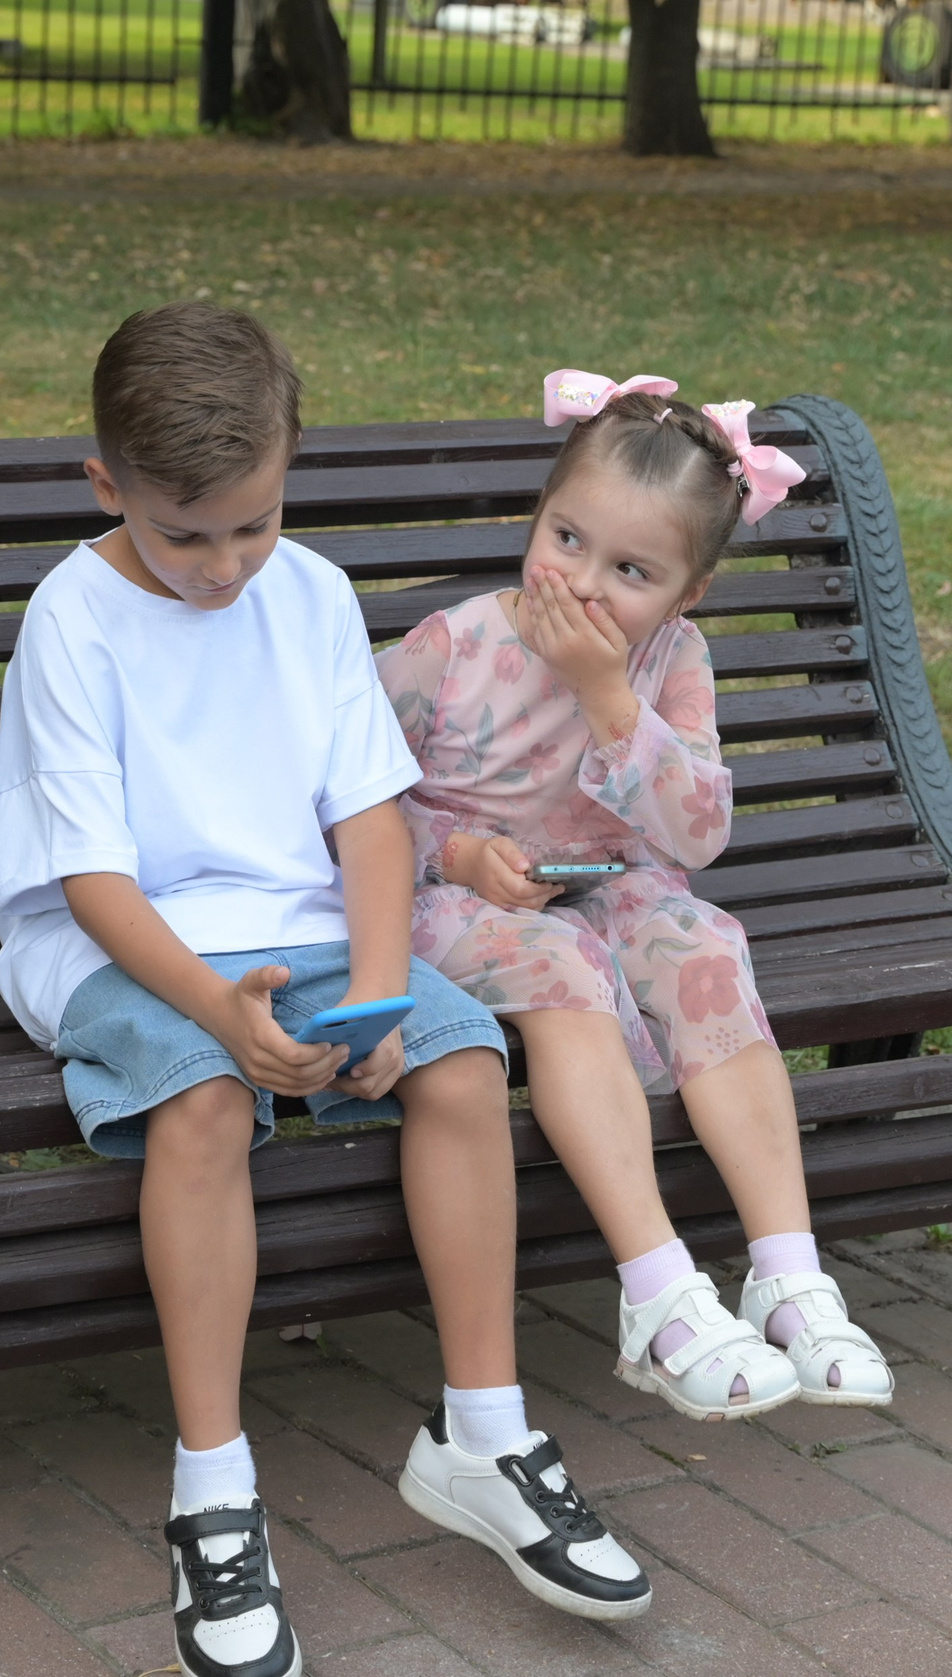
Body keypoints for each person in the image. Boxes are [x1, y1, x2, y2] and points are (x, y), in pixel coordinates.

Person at [0, 312, 650, 1677]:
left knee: (460, 1064)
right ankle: (214, 1491)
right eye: (187, 535)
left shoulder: (308, 592)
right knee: (205, 1091)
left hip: (301, 928)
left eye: (255, 523)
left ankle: (483, 1434)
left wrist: (374, 989)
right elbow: (94, 881)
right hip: (122, 945)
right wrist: (218, 1013)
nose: (227, 564)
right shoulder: (72, 619)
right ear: (106, 484)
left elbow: (367, 820)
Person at [375, 368, 897, 1426]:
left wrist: (610, 695)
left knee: (701, 952)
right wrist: (463, 853)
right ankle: (657, 1289)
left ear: (686, 592)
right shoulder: (453, 646)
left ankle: (788, 1272)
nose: (582, 583)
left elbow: (697, 835)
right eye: (566, 538)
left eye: (630, 570)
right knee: (562, 961)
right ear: (538, 514)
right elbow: (346, 802)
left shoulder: (672, 658)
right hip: (451, 894)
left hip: (607, 882)